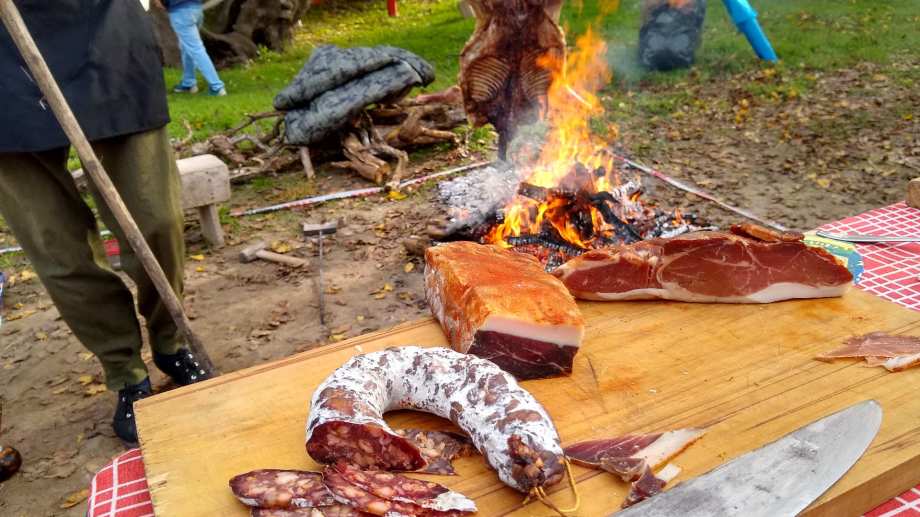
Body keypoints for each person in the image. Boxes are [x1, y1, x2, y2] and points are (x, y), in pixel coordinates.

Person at [0, 0, 214, 446]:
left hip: (106, 32)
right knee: (57, 247)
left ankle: (171, 342)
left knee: (157, 220)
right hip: (4, 63)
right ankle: (125, 371)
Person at [160, 0, 228, 96]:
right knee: (186, 47)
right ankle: (188, 83)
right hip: (196, 9)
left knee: (196, 49)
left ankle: (217, 87)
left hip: (180, 12)